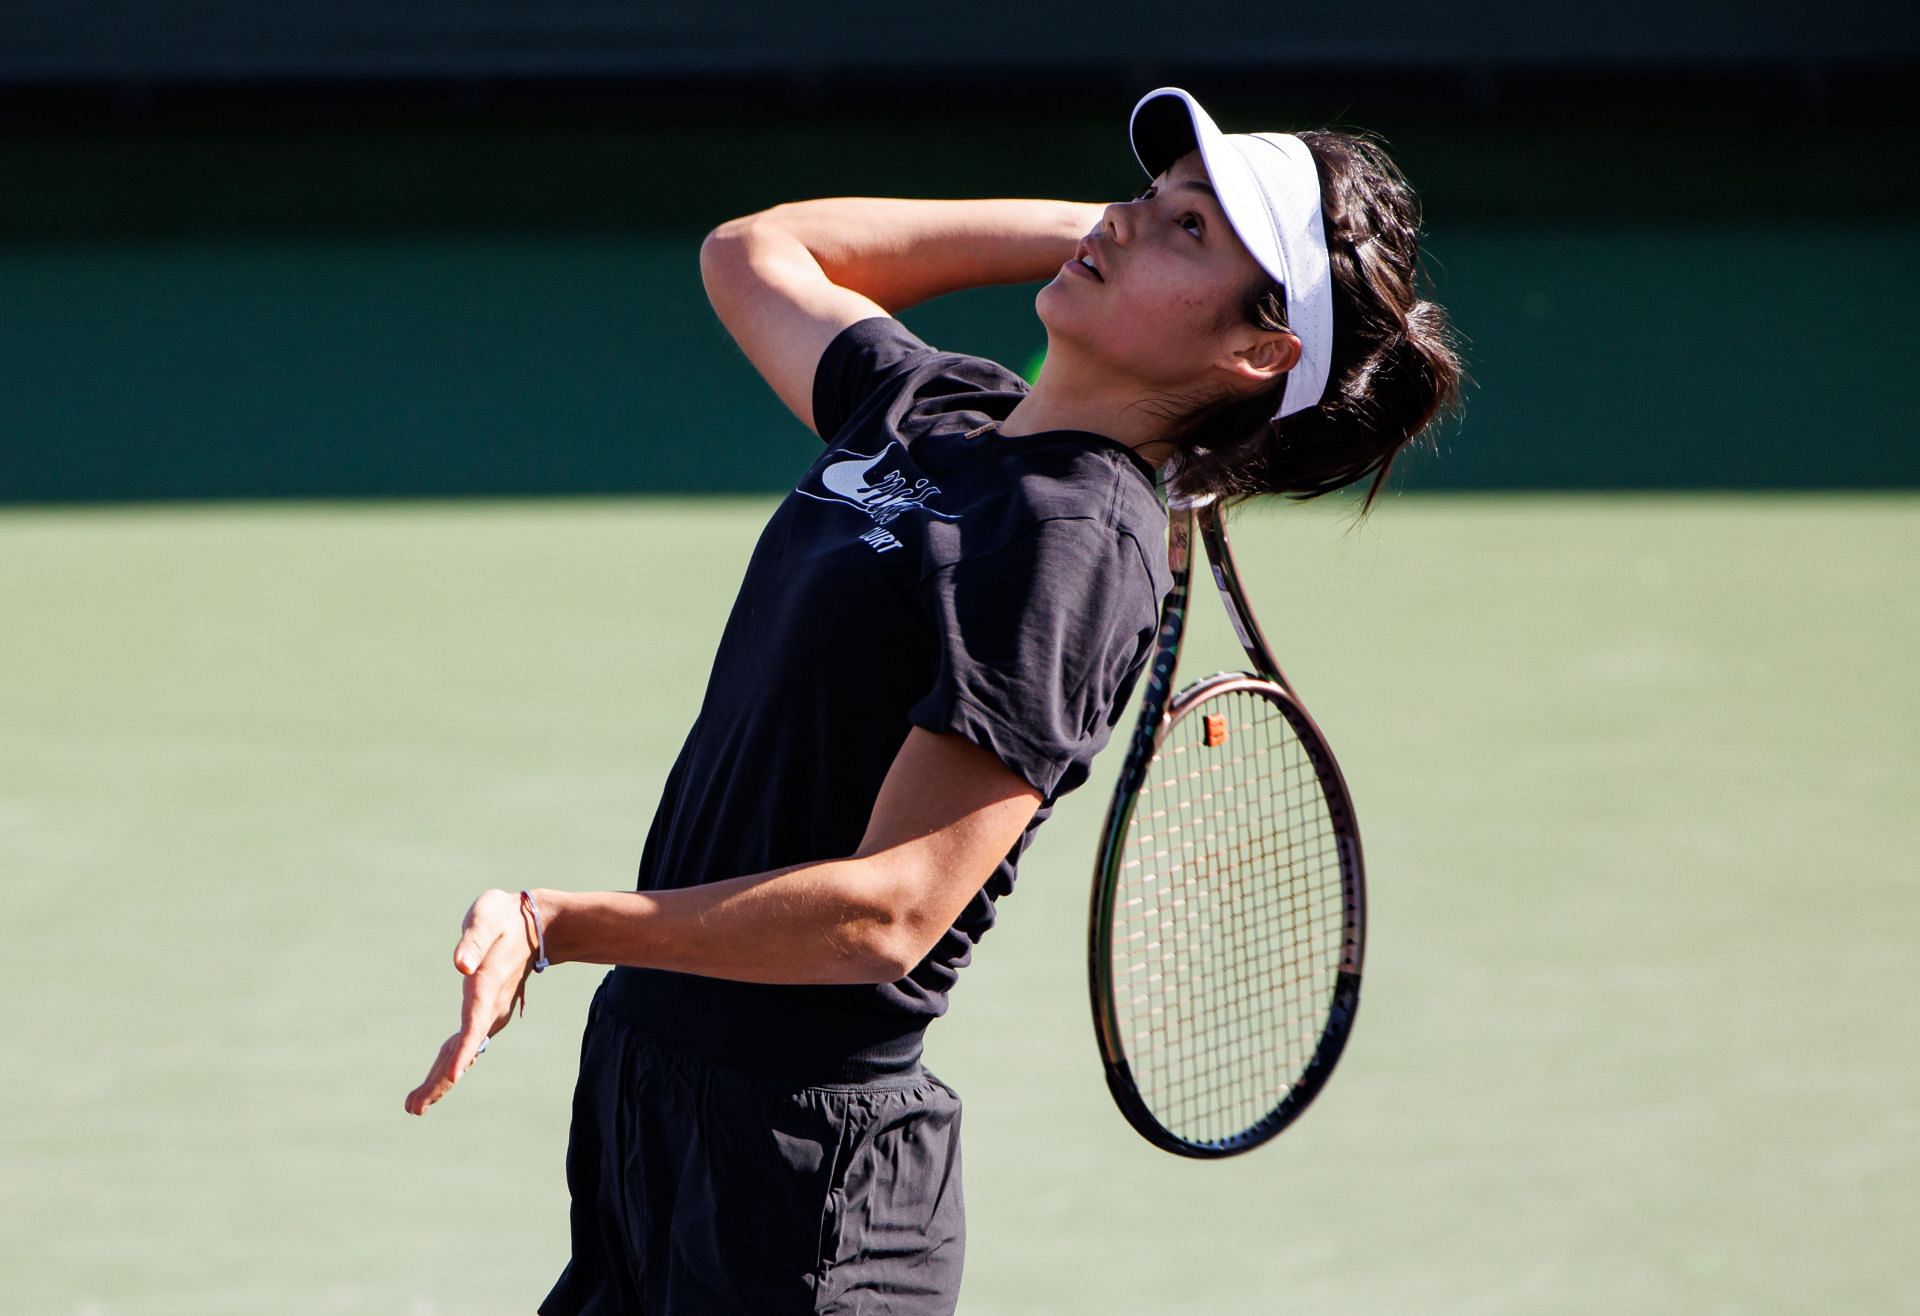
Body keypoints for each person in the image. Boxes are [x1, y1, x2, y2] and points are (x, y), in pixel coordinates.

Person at [404, 86, 1463, 1313]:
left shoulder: (1074, 540)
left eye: (1190, 233)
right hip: (657, 1098)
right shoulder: (936, 407)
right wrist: (1095, 231)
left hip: (804, 1178)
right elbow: (754, 253)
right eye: (1149, 195)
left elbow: (890, 913)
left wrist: (558, 922)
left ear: (1258, 353)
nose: (1127, 218)